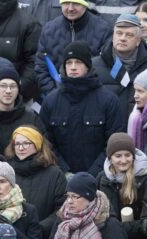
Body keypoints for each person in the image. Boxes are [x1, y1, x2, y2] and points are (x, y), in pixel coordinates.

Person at [39, 41, 125, 175]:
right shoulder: (51, 101)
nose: (73, 67)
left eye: (78, 62)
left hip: (100, 178)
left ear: (88, 66)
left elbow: (113, 144)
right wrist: (64, 172)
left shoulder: (109, 101)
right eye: (69, 63)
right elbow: (45, 143)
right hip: (61, 178)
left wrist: (92, 175)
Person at [33, 0, 110, 99]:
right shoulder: (49, 30)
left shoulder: (103, 30)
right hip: (57, 99)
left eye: (76, 4)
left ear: (85, 5)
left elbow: (105, 69)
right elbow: (41, 67)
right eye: (66, 3)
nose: (70, 8)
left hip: (91, 98)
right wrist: (54, 95)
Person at [6, 126, 67, 237]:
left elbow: (62, 209)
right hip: (10, 237)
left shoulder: (55, 174)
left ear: (37, 145)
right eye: (17, 144)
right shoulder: (7, 173)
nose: (21, 148)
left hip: (45, 237)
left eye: (26, 143)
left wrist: (39, 228)